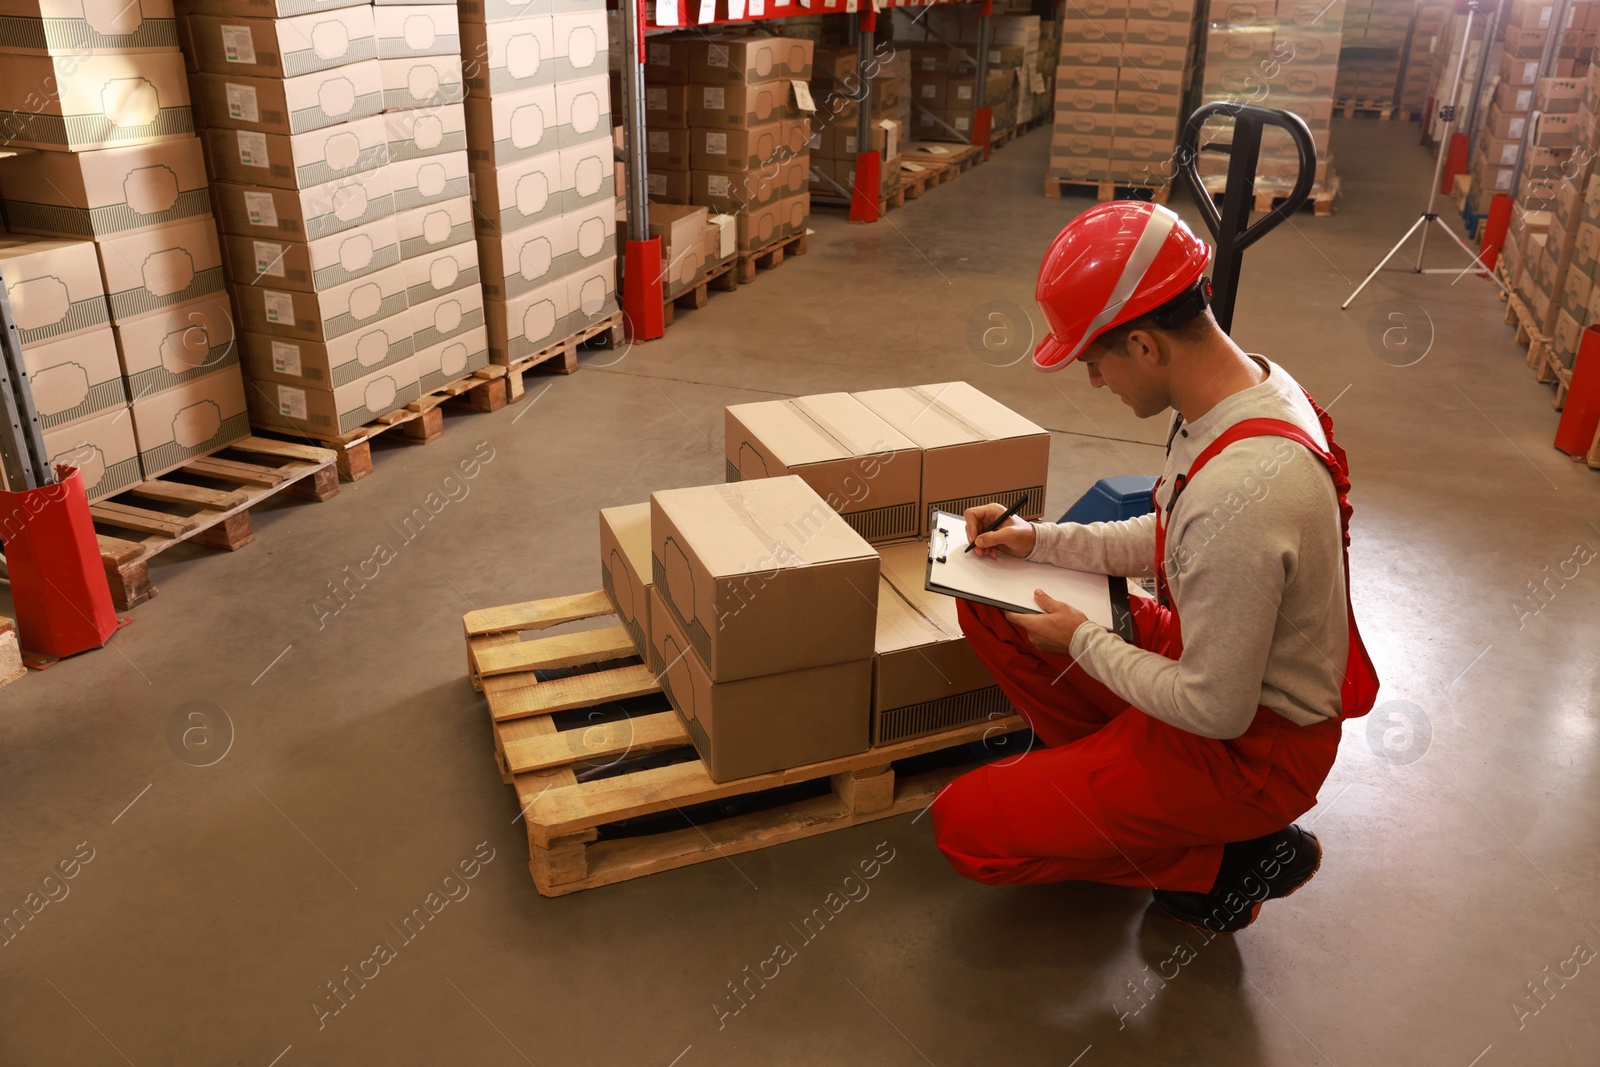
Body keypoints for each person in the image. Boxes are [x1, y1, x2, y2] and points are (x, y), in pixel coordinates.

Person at [930, 202, 1379, 933]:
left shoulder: (1246, 489)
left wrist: (1083, 639)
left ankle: (1228, 860)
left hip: (1251, 746)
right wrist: (1036, 539)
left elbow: (1215, 709)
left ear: (1143, 346)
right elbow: (1174, 532)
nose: (1095, 383)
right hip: (1218, 662)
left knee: (965, 829)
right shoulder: (1244, 390)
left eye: (1094, 362)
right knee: (990, 593)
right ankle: (1117, 793)